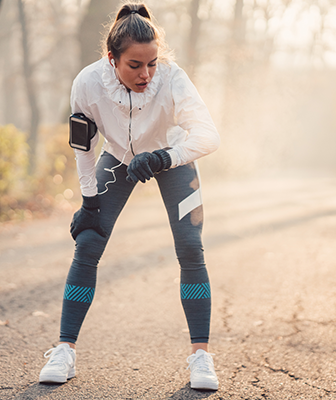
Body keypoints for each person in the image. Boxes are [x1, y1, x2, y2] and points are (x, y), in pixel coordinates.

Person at [39, 2, 221, 391]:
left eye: (152, 63)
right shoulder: (87, 83)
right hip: (118, 157)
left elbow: (208, 136)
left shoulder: (172, 79)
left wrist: (163, 156)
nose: (146, 74)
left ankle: (201, 356)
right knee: (88, 243)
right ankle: (64, 350)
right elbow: (83, 147)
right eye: (135, 65)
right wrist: (89, 200)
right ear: (111, 59)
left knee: (190, 247)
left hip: (172, 158)